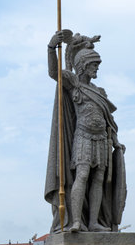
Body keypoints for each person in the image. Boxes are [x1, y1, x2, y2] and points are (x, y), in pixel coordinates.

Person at [45, 30, 126, 233]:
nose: (97, 69)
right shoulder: (74, 85)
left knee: (98, 179)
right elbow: (54, 73)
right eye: (93, 65)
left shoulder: (100, 92)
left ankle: (93, 223)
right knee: (81, 176)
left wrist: (115, 140)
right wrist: (51, 48)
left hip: (101, 140)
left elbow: (109, 120)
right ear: (83, 65)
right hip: (82, 136)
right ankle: (76, 222)